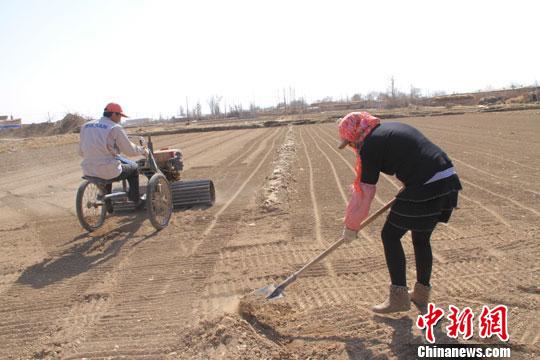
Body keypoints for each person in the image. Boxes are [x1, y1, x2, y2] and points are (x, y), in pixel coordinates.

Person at [337, 111, 462, 314]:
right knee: (421, 239)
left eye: (349, 143)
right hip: (447, 179)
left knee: (390, 235)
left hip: (426, 185)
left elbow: (364, 192)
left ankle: (398, 298)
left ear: (354, 135)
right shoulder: (389, 129)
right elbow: (415, 156)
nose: (351, 147)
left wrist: (351, 226)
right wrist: (409, 183)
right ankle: (421, 295)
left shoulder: (370, 145)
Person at [79, 103, 147, 211]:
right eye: (120, 115)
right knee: (133, 168)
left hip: (88, 169)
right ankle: (136, 200)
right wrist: (142, 150)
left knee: (108, 165)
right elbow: (129, 150)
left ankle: (108, 204)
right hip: (108, 169)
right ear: (114, 114)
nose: (120, 119)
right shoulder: (115, 127)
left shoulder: (85, 126)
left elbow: (81, 152)